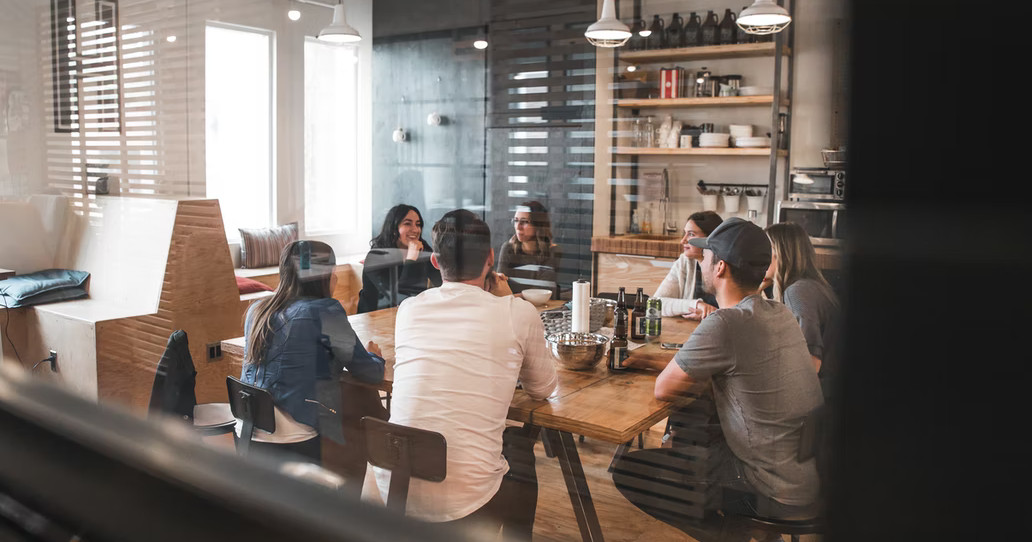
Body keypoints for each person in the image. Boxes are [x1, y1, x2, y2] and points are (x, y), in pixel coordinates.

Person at [613, 218, 823, 542]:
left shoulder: (726, 322)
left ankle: (731, 534)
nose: (701, 261)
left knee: (631, 472)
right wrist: (648, 360)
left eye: (706, 255)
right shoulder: (777, 312)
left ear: (720, 267)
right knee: (697, 435)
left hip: (767, 487)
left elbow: (664, 388)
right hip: (804, 476)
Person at [376, 209, 557, 540]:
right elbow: (543, 388)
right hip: (466, 503)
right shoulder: (517, 312)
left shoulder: (409, 309)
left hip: (394, 489)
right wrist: (508, 301)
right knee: (520, 452)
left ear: (435, 262)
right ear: (491, 258)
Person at [240, 240, 386, 466]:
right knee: (358, 409)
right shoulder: (325, 311)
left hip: (249, 431)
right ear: (324, 275)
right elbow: (369, 372)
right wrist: (375, 356)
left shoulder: (257, 310)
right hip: (293, 437)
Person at [763, 222, 841, 398]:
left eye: (765, 248)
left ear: (781, 253)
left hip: (824, 394)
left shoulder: (798, 292)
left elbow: (811, 364)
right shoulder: (810, 286)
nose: (759, 256)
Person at [357, 204, 442, 313]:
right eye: (407, 224)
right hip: (375, 317)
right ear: (393, 229)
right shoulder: (376, 257)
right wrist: (411, 259)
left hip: (411, 313)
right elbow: (401, 298)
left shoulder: (422, 249)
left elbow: (441, 282)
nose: (415, 230)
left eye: (418, 224)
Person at [652, 210, 722, 319]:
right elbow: (655, 304)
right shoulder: (684, 262)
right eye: (684, 233)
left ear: (710, 238)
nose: (683, 240)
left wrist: (709, 314)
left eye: (691, 234)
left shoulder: (726, 266)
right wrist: (696, 305)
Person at [495, 201, 562, 296]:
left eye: (524, 222)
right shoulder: (508, 248)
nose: (518, 227)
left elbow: (543, 291)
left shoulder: (552, 251)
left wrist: (512, 297)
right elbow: (500, 286)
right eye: (516, 220)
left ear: (538, 225)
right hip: (511, 303)